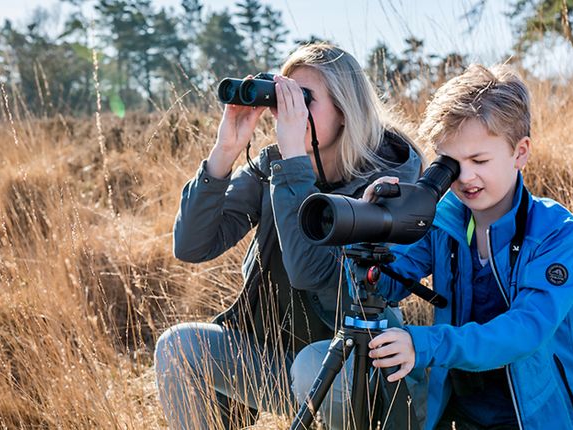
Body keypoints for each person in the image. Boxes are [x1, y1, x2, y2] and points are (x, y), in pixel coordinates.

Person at [154, 43, 425, 429]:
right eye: (285, 98)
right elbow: (192, 245)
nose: (291, 112)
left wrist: (294, 161)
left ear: (345, 111)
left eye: (305, 100)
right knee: (178, 347)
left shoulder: (387, 181)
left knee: (310, 365)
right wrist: (225, 150)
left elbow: (311, 273)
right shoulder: (275, 164)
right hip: (280, 361)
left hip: (356, 362)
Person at [358, 64, 573, 429]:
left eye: (479, 160)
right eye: (452, 163)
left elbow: (526, 330)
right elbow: (382, 284)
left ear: (520, 153)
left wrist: (426, 345)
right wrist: (374, 228)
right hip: (458, 412)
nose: (466, 177)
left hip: (536, 417)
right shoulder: (442, 221)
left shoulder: (554, 231)